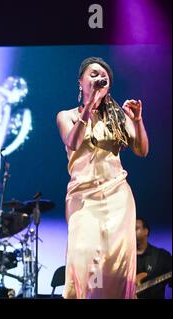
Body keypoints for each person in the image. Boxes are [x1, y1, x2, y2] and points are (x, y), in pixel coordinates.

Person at [56, 57, 149, 299]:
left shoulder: (117, 117)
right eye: (93, 74)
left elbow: (142, 150)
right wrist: (89, 107)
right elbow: (74, 142)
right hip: (82, 198)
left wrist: (137, 121)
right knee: (83, 256)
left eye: (103, 78)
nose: (99, 79)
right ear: (81, 82)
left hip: (118, 196)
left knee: (116, 268)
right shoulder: (66, 116)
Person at [136, 217, 172, 299]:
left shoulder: (162, 256)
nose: (132, 232)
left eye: (136, 228)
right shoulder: (124, 258)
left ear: (146, 231)